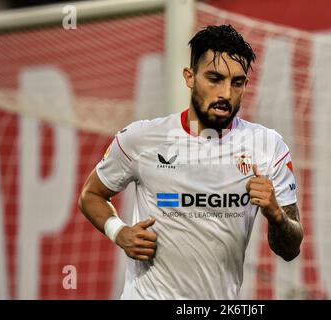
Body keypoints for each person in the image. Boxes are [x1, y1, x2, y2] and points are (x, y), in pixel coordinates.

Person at [78, 24, 303, 300]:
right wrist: (119, 232)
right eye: (214, 78)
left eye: (237, 82)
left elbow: (290, 249)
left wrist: (276, 214)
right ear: (190, 76)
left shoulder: (269, 147)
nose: (225, 93)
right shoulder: (142, 138)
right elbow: (91, 195)